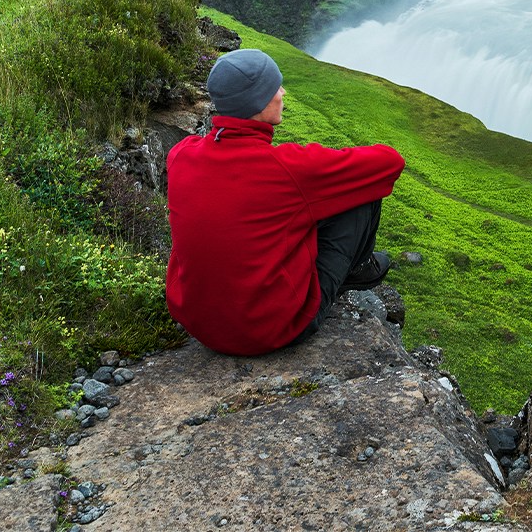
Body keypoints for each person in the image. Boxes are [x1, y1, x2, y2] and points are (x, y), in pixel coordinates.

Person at [165, 48, 404, 356]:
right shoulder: (287, 168)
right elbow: (390, 162)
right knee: (360, 192)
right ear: (258, 101)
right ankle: (357, 269)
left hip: (198, 323)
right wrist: (321, 164)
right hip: (270, 329)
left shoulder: (181, 154)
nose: (283, 93)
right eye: (275, 87)